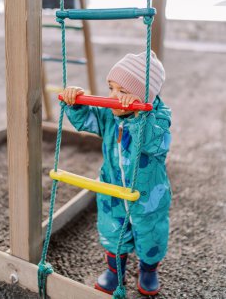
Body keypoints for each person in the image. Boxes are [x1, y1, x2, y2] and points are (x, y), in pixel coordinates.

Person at [61, 51, 172, 296]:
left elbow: (153, 143)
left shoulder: (159, 119)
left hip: (148, 195)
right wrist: (75, 102)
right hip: (112, 188)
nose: (113, 97)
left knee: (151, 234)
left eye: (122, 91)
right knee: (112, 230)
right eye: (111, 88)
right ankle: (114, 271)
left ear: (145, 96)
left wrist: (136, 117)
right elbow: (85, 122)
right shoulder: (110, 115)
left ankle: (148, 270)